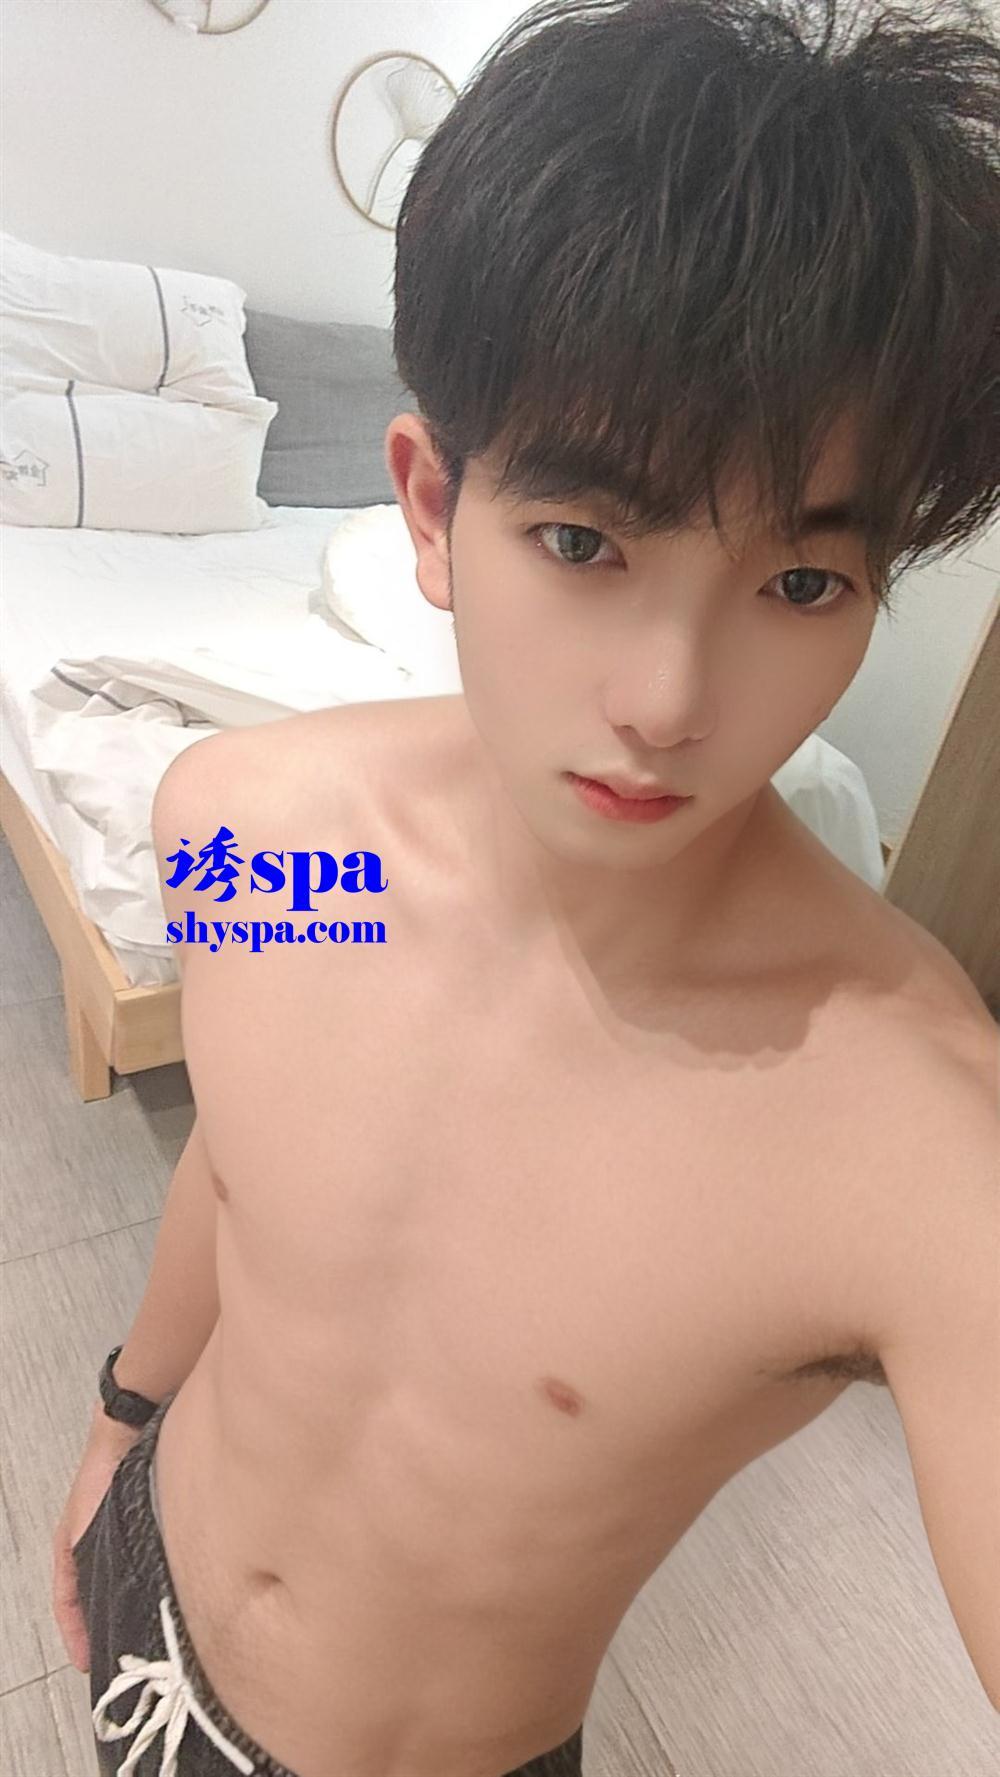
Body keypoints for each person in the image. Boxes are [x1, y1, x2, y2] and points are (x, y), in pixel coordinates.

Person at [52, 2, 1000, 1773]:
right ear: (431, 507)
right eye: (584, 542)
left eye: (802, 584)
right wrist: (119, 1415)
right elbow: (237, 1166)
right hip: (142, 1589)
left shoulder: (906, 1128)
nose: (667, 698)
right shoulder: (263, 830)